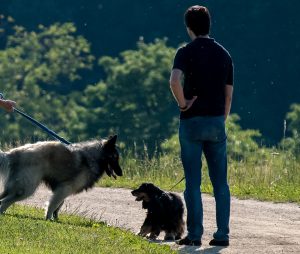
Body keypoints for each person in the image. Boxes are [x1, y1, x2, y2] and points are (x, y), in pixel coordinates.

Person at [169, 5, 234, 247]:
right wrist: (221, 118)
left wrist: (183, 103)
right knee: (220, 183)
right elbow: (229, 95)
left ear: (189, 28)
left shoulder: (185, 52)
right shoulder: (224, 54)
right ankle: (222, 234)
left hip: (191, 122)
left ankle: (195, 234)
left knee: (193, 183)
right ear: (209, 25)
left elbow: (174, 81)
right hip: (216, 121)